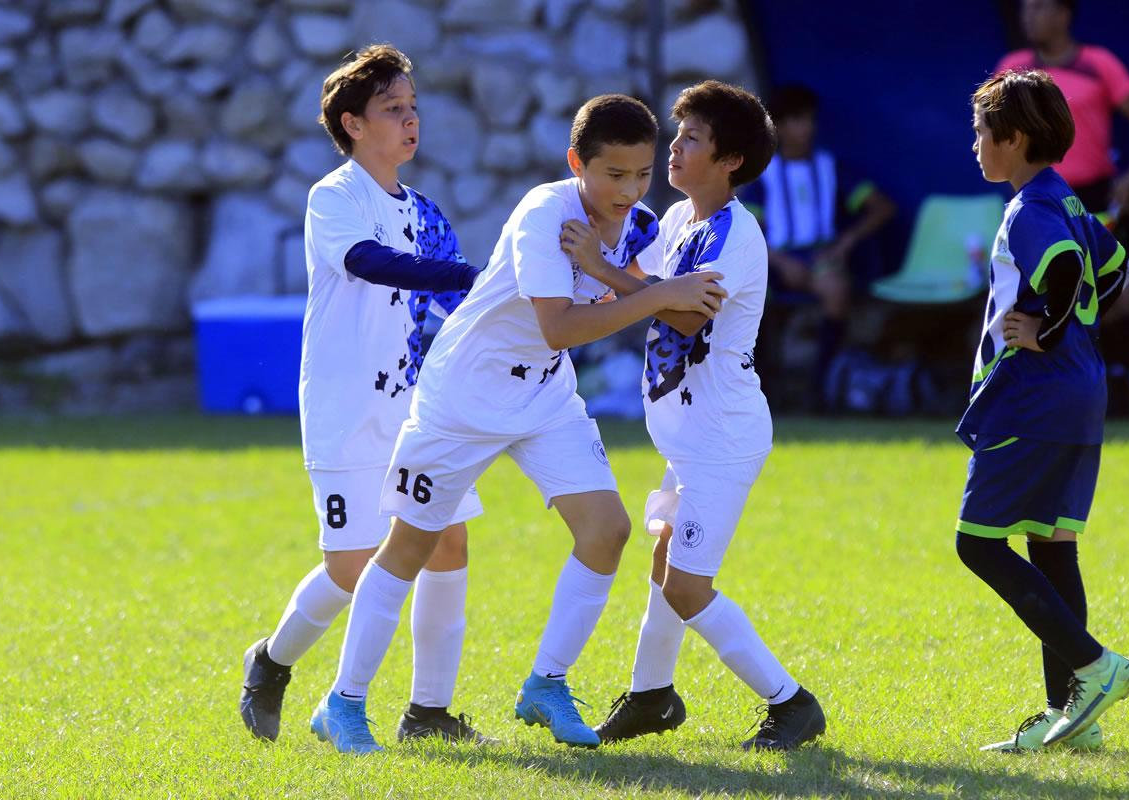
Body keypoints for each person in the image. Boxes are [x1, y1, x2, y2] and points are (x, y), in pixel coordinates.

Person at [308, 94, 730, 754]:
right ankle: (344, 702)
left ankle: (545, 685)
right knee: (409, 548)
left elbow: (680, 310)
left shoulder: (639, 225)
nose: (627, 191)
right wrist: (648, 292)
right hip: (460, 399)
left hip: (544, 397)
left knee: (608, 530)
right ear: (576, 164)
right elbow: (560, 326)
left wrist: (625, 278)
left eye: (640, 173)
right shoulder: (546, 213)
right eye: (612, 175)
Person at [561, 80, 826, 752]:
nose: (673, 148)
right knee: (663, 560)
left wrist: (602, 269)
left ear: (730, 160)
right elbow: (636, 276)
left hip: (721, 439)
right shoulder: (680, 220)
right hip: (691, 439)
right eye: (678, 135)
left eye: (691, 138)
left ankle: (791, 704)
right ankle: (651, 697)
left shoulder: (736, 233)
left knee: (686, 586)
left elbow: (682, 311)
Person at [239, 44, 491, 745]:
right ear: (353, 125)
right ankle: (271, 661)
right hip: (346, 413)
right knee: (351, 568)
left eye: (413, 108)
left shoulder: (428, 213)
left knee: (447, 545)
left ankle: (429, 713)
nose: (410, 122)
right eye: (392, 110)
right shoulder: (334, 197)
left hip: (416, 414)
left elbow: (456, 312)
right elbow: (368, 263)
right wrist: (464, 276)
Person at [959, 69, 1129, 753]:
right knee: (1051, 545)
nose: (974, 143)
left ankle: (1094, 669)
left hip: (1034, 395)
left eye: (981, 131)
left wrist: (1044, 332)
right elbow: (1116, 269)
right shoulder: (1066, 201)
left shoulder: (1030, 210)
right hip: (1079, 393)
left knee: (976, 543)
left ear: (1016, 137)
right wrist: (1074, 336)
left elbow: (1064, 272)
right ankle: (1073, 717)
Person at [741, 84, 895, 408]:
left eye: (809, 119)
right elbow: (746, 229)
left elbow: (882, 207)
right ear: (778, 126)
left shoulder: (830, 168)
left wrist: (845, 244)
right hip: (776, 261)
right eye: (797, 120)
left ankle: (824, 384)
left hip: (822, 256)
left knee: (835, 288)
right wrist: (782, 262)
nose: (806, 128)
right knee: (745, 294)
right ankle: (761, 386)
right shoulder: (762, 174)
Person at [996, 0, 1129, 218]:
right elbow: (995, 127)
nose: (1028, 16)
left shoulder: (1100, 63)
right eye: (1025, 8)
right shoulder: (1012, 67)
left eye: (1038, 7)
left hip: (1095, 196)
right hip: (1034, 195)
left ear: (1063, 15)